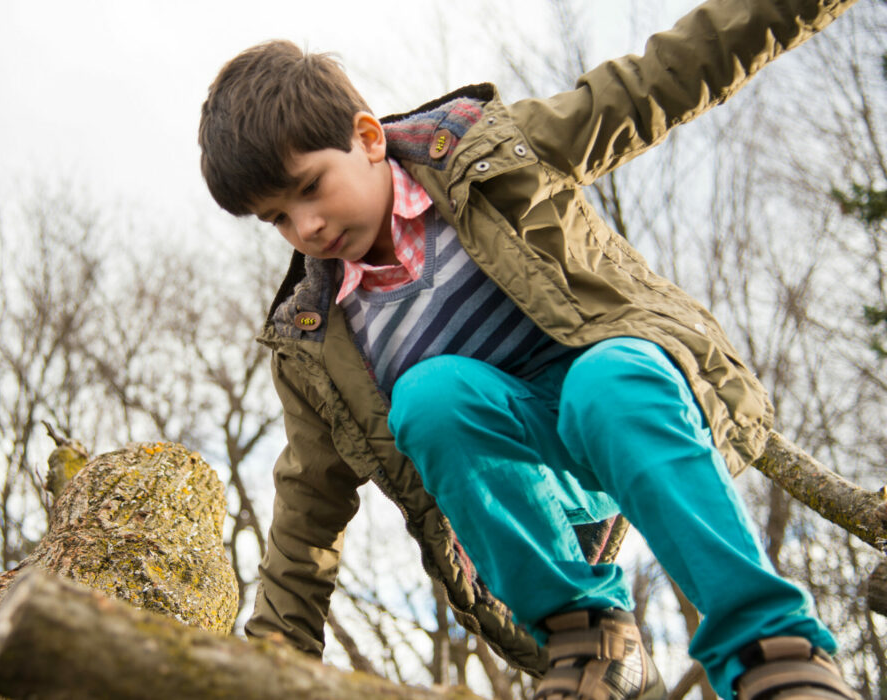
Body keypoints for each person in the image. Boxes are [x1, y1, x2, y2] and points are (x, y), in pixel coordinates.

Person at [197, 0, 862, 698]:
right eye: (277, 218)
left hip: (634, 407)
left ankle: (770, 647)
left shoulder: (494, 159)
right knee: (429, 397)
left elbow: (659, 79)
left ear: (367, 138)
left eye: (310, 188)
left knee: (602, 382)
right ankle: (586, 634)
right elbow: (305, 512)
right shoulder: (321, 337)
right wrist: (264, 665)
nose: (306, 225)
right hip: (533, 475)